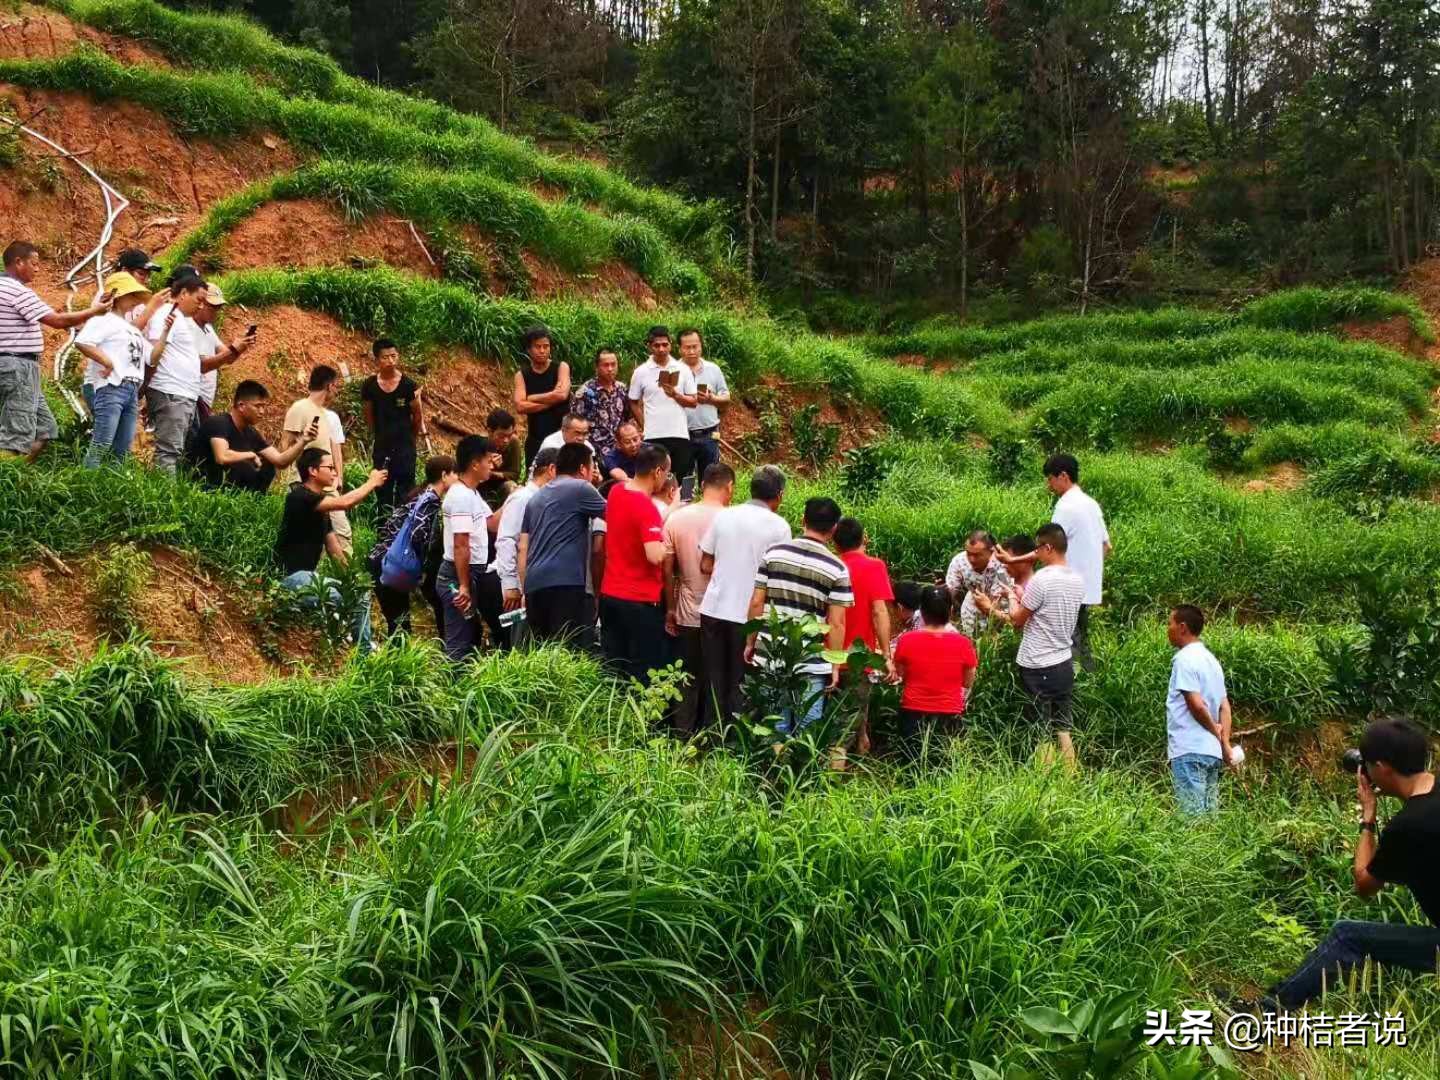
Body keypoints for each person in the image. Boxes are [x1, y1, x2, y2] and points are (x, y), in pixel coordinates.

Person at [1262, 718, 1440, 1011]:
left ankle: (1267, 1011)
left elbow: (1364, 884)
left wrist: (1368, 817)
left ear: (1382, 767)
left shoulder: (1409, 826)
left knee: (1346, 935)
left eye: (1367, 764)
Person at [975, 523, 1085, 767]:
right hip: (1064, 662)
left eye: (1038, 549)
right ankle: (1071, 778)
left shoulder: (1042, 579)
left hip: (1038, 664)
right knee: (1063, 728)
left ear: (1048, 548)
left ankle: (1044, 780)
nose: (1035, 554)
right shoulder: (1077, 578)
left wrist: (1012, 596)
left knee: (1041, 729)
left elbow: (1017, 620)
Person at [746, 497, 853, 737]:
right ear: (834, 529)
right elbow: (836, 623)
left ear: (803, 520)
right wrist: (835, 665)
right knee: (807, 730)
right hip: (810, 660)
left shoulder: (773, 554)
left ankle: (776, 761)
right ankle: (801, 762)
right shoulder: (837, 568)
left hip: (772, 652)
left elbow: (756, 602)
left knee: (775, 727)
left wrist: (751, 641)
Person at [1, 241, 113, 462]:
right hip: (18, 367)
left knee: (44, 428)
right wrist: (94, 311)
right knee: (15, 437)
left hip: (17, 367)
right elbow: (58, 321)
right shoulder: (16, 290)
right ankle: (6, 476)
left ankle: (16, 472)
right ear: (18, 262)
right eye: (34, 263)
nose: (38, 269)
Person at [698, 464, 792, 725]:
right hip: (748, 616)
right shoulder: (780, 527)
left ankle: (710, 735)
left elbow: (705, 564)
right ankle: (736, 739)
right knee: (742, 683)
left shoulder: (724, 516)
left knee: (713, 679)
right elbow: (778, 577)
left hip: (714, 609)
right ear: (779, 495)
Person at [274, 447, 386, 653]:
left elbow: (334, 549)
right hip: (290, 578)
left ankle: (363, 651)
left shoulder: (321, 510)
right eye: (330, 467)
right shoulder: (299, 497)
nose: (335, 472)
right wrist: (371, 483)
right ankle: (332, 641)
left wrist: (352, 581)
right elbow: (345, 502)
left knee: (359, 594)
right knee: (334, 596)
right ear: (313, 471)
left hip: (310, 578)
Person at [144, 276, 249, 474]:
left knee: (181, 450)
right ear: (184, 293)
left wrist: (237, 349)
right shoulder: (169, 315)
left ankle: (170, 487)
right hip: (172, 391)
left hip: (184, 394)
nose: (201, 306)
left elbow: (225, 357)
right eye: (200, 300)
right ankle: (163, 491)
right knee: (169, 451)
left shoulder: (190, 323)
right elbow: (154, 354)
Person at [74, 271, 174, 467]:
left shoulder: (132, 329)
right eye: (131, 294)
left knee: (121, 449)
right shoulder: (103, 320)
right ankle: (86, 482)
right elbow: (82, 341)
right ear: (118, 296)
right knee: (102, 444)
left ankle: (106, 483)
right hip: (111, 387)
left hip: (131, 391)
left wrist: (165, 334)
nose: (135, 299)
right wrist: (107, 362)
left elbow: (152, 358)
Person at [663, 462, 734, 735]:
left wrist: (670, 609)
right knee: (717, 679)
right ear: (730, 487)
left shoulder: (677, 518)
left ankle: (682, 736)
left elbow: (667, 570)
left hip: (687, 612)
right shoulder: (732, 520)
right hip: (723, 614)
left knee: (687, 678)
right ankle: (713, 738)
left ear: (702, 485)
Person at [518, 442, 608, 643]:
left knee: (544, 650)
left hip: (534, 586)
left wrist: (525, 589)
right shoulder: (580, 488)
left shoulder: (535, 499)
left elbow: (523, 546)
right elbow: (617, 515)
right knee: (570, 649)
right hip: (565, 584)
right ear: (583, 469)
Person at [599, 443, 672, 683]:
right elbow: (654, 555)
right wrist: (667, 546)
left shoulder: (617, 492)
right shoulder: (646, 507)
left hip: (610, 593)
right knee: (643, 671)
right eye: (667, 473)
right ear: (657, 472)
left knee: (614, 668)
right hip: (639, 600)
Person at [367, 454, 457, 636]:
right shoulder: (430, 500)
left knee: (399, 624)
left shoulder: (419, 495)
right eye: (455, 473)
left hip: (384, 560)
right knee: (400, 627)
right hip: (391, 564)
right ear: (444, 475)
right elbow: (418, 535)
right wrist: (422, 566)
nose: (457, 478)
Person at [891, 586, 979, 765]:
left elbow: (900, 673)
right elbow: (968, 682)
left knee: (910, 764)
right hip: (949, 711)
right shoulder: (963, 643)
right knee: (944, 765)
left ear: (921, 612)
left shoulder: (906, 640)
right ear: (951, 611)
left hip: (913, 710)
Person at [437, 435, 505, 661]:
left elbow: (491, 523)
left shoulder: (471, 493)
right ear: (475, 464)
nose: (492, 466)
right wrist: (464, 585)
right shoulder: (460, 497)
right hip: (457, 575)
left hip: (468, 573)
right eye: (488, 460)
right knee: (460, 642)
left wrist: (515, 498)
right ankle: (452, 680)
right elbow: (461, 544)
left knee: (471, 635)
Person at [833, 516, 895, 757]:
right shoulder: (874, 566)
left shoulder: (832, 564)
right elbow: (879, 612)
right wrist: (886, 654)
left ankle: (861, 754)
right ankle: (834, 771)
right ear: (864, 538)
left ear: (835, 542)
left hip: (829, 654)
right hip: (858, 657)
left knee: (852, 715)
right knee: (845, 727)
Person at [184, 380, 315, 492]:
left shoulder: (251, 433)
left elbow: (280, 461)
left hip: (232, 492)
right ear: (241, 406)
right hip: (204, 489)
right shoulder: (218, 423)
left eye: (264, 407)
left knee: (268, 465)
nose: (262, 412)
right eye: (258, 406)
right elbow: (222, 456)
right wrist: (250, 455)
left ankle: (253, 499)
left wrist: (303, 441)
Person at [1043, 454, 1109, 671]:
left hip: (1067, 588)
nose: (1049, 485)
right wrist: (1090, 570)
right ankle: (1090, 678)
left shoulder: (1066, 506)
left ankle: (1075, 682)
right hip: (1086, 588)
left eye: (1050, 479)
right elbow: (1106, 546)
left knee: (1067, 642)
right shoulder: (1091, 504)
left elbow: (1049, 546)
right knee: (1080, 638)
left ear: (1063, 476)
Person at [1165, 605, 1233, 815]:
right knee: (1209, 820)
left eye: (1170, 623)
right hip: (1212, 753)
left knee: (1192, 820)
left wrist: (1214, 729)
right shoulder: (1212, 661)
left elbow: (1195, 704)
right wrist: (1225, 744)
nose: (1168, 629)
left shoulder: (1184, 659)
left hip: (1189, 749)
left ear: (1182, 627)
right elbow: (1224, 707)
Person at [281, 365, 351, 554]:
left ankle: (343, 571)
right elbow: (284, 446)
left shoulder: (323, 413)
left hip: (325, 483)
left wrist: (336, 477)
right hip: (306, 484)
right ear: (329, 386)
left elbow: (332, 449)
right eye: (336, 386)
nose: (336, 391)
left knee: (340, 535)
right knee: (318, 536)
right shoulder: (300, 408)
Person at [360, 338, 425, 514]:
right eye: (385, 357)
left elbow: (417, 416)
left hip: (405, 447)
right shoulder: (370, 386)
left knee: (406, 491)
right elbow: (368, 414)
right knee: (383, 490)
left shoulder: (408, 385)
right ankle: (383, 526)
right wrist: (377, 435)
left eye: (393, 356)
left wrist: (411, 439)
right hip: (382, 447)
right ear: (377, 360)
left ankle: (403, 525)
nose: (390, 360)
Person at [495, 447, 559, 617]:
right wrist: (511, 585)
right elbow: (507, 540)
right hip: (514, 587)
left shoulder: (547, 499)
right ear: (552, 470)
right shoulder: (523, 498)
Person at [628, 326, 696, 484]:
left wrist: (676, 395)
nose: (661, 349)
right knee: (654, 480)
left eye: (665, 344)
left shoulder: (683, 369)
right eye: (656, 345)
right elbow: (633, 401)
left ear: (671, 344)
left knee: (679, 480)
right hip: (653, 436)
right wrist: (644, 425)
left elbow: (693, 401)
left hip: (679, 433)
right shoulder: (641, 372)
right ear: (649, 346)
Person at [677, 328, 729, 499]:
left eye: (695, 346)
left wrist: (711, 398)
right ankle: (685, 508)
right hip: (682, 435)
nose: (692, 351)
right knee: (684, 482)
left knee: (711, 479)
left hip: (709, 434)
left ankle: (708, 509)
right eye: (687, 347)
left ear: (701, 346)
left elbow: (726, 398)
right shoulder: (674, 370)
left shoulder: (713, 369)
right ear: (680, 349)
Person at [513, 325, 570, 469]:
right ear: (528, 349)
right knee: (535, 475)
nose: (542, 351)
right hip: (536, 439)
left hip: (562, 436)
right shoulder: (522, 375)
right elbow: (520, 406)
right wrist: (552, 399)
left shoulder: (561, 367)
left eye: (546, 346)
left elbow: (562, 394)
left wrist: (531, 398)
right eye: (537, 347)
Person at [946, 530, 1014, 636]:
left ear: (991, 552)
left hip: (998, 615)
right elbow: (951, 589)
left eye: (977, 555)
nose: (971, 559)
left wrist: (989, 609)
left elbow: (1006, 605)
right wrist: (944, 593)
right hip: (970, 612)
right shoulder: (960, 561)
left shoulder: (1003, 567)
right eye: (968, 554)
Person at [571, 347, 628, 459]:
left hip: (620, 451)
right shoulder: (585, 392)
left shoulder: (622, 389)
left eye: (613, 364)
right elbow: (576, 423)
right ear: (596, 367)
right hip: (595, 452)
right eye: (605, 365)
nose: (610, 369)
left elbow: (626, 418)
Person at [192, 284, 233, 422]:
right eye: (212, 307)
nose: (216, 311)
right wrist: (235, 349)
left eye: (218, 308)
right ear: (200, 302)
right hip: (194, 397)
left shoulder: (208, 329)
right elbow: (203, 365)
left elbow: (229, 357)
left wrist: (242, 346)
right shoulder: (189, 327)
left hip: (204, 400)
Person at [479, 407, 522, 507]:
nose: (506, 440)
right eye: (501, 436)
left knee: (511, 487)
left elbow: (514, 474)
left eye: (509, 435)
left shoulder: (513, 443)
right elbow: (467, 476)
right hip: (480, 488)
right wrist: (488, 465)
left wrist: (493, 474)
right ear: (490, 431)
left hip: (501, 486)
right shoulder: (478, 444)